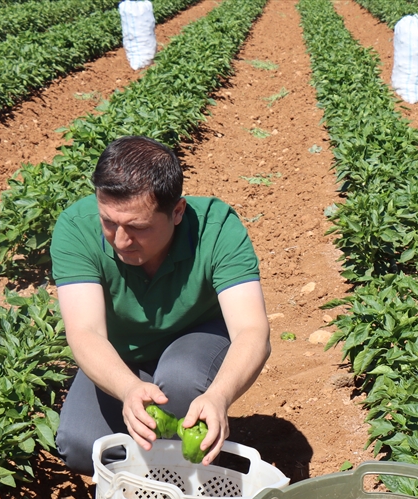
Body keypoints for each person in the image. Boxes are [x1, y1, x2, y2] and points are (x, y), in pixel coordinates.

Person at [51, 135, 271, 473]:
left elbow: (252, 330)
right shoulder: (76, 229)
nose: (121, 240)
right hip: (125, 354)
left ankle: (189, 461)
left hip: (196, 341)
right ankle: (153, 471)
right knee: (82, 445)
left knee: (180, 380)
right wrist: (127, 389)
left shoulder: (217, 229)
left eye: (138, 227)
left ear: (177, 211)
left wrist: (219, 396)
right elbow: (85, 332)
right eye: (109, 222)